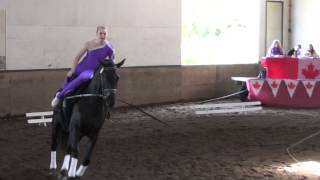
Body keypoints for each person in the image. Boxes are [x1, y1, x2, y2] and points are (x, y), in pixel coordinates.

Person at [51, 25, 115, 107]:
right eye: (101, 33)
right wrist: (73, 70)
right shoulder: (88, 44)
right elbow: (77, 57)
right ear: (96, 34)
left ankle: (59, 97)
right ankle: (59, 93)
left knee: (84, 77)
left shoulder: (109, 47)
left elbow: (112, 63)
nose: (103, 35)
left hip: (90, 71)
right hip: (80, 67)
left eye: (105, 34)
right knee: (70, 76)